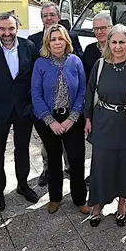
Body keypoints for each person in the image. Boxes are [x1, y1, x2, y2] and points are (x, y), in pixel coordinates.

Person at [84, 24, 126, 227]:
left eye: (122, 42)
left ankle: (122, 203)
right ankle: (97, 204)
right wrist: (88, 118)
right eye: (114, 42)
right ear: (108, 43)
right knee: (101, 165)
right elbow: (90, 91)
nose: (118, 47)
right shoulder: (100, 65)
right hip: (103, 121)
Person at [0, 12, 40, 210]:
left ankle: (23, 185)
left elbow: (34, 76)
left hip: (23, 109)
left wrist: (31, 103)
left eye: (11, 28)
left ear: (17, 28)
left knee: (22, 149)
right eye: (2, 29)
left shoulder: (28, 46)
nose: (7, 33)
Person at [31, 24, 89, 215]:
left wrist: (73, 118)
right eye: (53, 39)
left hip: (72, 118)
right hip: (49, 120)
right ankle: (55, 198)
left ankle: (80, 198)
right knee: (54, 160)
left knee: (77, 159)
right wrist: (50, 121)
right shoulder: (41, 63)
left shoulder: (75, 61)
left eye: (60, 38)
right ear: (48, 42)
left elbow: (82, 90)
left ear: (66, 41)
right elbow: (36, 94)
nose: (57, 42)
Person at [29, 3, 83, 187]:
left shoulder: (74, 54)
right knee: (50, 152)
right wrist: (47, 118)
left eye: (52, 14)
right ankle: (49, 173)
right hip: (47, 111)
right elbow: (34, 84)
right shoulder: (33, 41)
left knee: (74, 154)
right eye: (45, 15)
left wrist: (75, 114)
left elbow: (80, 77)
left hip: (71, 112)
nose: (49, 18)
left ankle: (72, 175)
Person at [81, 13, 113, 78]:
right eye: (96, 29)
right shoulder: (89, 50)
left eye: (103, 28)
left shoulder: (119, 49)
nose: (99, 32)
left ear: (111, 28)